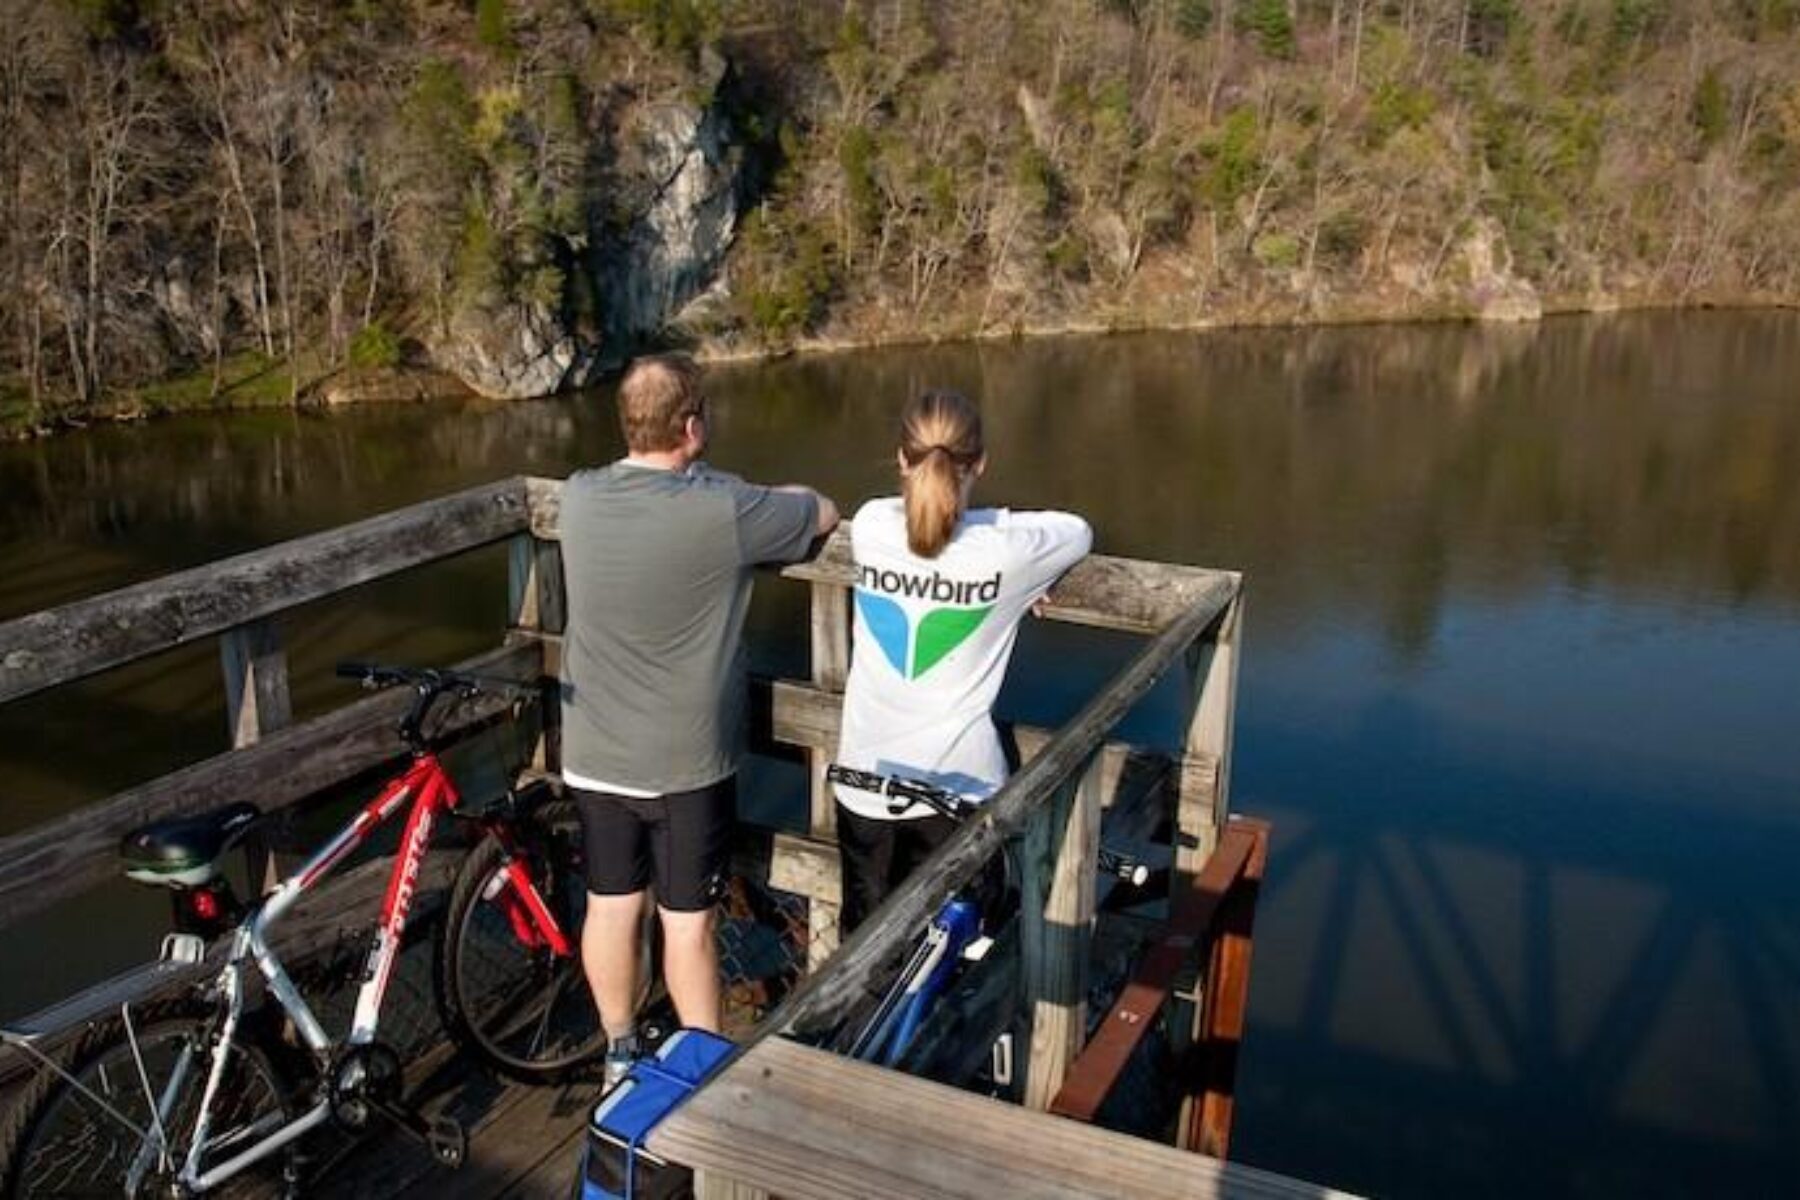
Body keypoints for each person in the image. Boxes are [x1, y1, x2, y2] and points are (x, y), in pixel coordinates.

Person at [558, 354, 838, 1085]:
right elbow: (821, 509)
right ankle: (702, 1066)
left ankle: (620, 1050)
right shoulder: (724, 509)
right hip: (684, 764)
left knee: (611, 905)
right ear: (692, 427)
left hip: (591, 751)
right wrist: (740, 489)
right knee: (688, 923)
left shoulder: (580, 497)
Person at [832, 389, 1091, 933]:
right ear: (982, 463)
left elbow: (917, 526)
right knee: (959, 957)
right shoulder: (1007, 553)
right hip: (956, 794)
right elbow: (1076, 529)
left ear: (901, 460)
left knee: (865, 960)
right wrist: (1013, 563)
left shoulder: (873, 524)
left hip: (863, 782)